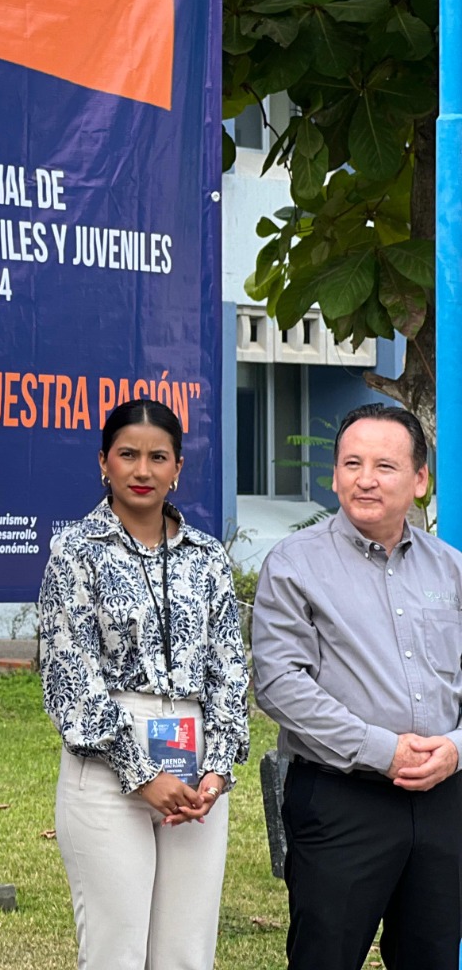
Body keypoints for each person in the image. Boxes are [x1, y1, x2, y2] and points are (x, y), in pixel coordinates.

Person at [38, 397, 248, 970]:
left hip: (195, 767)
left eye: (158, 457)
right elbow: (70, 679)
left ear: (178, 467)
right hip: (108, 768)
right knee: (117, 954)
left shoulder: (206, 557)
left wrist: (217, 767)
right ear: (103, 462)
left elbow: (230, 668)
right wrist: (142, 774)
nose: (142, 470)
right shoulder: (76, 554)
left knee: (186, 955)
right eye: (128, 455)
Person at [252, 402, 462, 970]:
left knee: (434, 956)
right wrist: (383, 750)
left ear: (420, 480)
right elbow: (278, 682)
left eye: (384, 466)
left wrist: (455, 748)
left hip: (445, 800)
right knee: (326, 955)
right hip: (342, 798)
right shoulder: (295, 564)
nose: (364, 479)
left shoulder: (452, 570)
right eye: (351, 463)